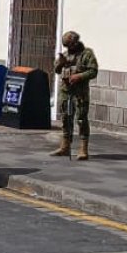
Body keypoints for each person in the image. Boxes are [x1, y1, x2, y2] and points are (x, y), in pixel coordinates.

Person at [49, 30, 99, 160]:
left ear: (76, 43)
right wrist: (60, 63)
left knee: (81, 119)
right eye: (67, 46)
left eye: (70, 45)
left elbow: (93, 71)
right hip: (66, 90)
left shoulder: (87, 54)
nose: (69, 48)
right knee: (65, 117)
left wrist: (79, 76)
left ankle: (83, 149)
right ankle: (65, 146)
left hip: (80, 91)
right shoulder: (65, 54)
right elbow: (56, 70)